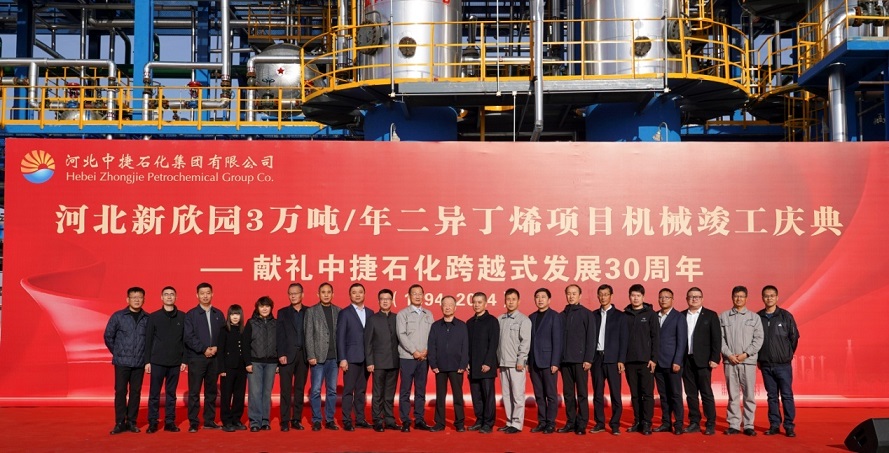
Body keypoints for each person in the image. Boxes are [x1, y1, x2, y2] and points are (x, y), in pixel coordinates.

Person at [720, 285, 764, 436]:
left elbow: (758, 339)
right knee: (733, 394)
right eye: (736, 296)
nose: (738, 299)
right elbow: (720, 339)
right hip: (730, 361)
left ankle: (748, 425)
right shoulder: (724, 317)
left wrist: (746, 354)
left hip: (748, 361)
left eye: (741, 296)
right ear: (732, 297)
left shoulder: (754, 318)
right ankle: (733, 424)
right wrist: (729, 354)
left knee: (749, 394)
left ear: (746, 298)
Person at [104, 286, 149, 435]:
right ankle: (119, 422)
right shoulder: (118, 316)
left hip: (139, 362)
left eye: (139, 297)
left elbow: (150, 340)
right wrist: (118, 352)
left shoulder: (147, 318)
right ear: (127, 299)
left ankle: (131, 422)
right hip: (122, 362)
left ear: (143, 299)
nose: (137, 300)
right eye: (134, 297)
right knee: (120, 392)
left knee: (136, 392)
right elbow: (108, 336)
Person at [757, 285, 800, 438]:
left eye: (772, 295)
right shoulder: (758, 317)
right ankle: (774, 425)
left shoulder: (786, 316)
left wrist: (786, 354)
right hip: (766, 365)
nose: (769, 298)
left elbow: (794, 339)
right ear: (762, 298)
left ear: (777, 297)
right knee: (772, 396)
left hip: (783, 365)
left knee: (787, 395)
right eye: (766, 295)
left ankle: (789, 426)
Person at [183, 282, 226, 432]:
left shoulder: (218, 314)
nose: (205, 296)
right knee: (194, 391)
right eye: (202, 293)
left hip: (214, 358)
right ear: (197, 295)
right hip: (197, 358)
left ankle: (209, 420)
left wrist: (217, 347)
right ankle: (194, 422)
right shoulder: (191, 315)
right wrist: (203, 349)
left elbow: (224, 335)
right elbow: (189, 337)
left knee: (211, 392)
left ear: (212, 294)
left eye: (208, 293)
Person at [144, 286, 186, 433]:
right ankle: (153, 422)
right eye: (166, 294)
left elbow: (185, 340)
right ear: (161, 298)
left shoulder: (183, 317)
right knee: (154, 394)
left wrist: (184, 360)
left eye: (172, 294)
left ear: (176, 297)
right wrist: (147, 361)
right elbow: (148, 340)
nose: (169, 297)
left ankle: (170, 422)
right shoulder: (154, 317)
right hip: (157, 361)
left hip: (175, 362)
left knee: (171, 394)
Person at [681, 287, 721, 436]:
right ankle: (694, 422)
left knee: (706, 393)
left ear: (702, 299)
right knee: (691, 394)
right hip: (686, 360)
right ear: (687, 299)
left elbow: (716, 339)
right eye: (691, 296)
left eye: (697, 296)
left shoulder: (710, 315)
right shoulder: (681, 315)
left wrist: (715, 358)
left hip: (704, 361)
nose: (694, 299)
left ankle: (710, 423)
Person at [427, 295, 469, 433]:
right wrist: (433, 364)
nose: (448, 307)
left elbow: (465, 347)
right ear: (441, 307)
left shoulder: (462, 326)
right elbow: (431, 346)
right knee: (440, 396)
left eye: (450, 304)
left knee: (458, 396)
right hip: (440, 367)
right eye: (445, 304)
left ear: (455, 307)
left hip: (457, 367)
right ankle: (439, 422)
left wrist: (463, 364)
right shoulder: (435, 326)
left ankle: (459, 422)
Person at [396, 284, 435, 432]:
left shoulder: (428, 314)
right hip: (407, 358)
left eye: (420, 294)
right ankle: (405, 420)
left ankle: (419, 419)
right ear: (409, 296)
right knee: (405, 390)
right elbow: (401, 335)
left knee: (420, 390)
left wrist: (427, 351)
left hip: (424, 358)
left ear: (423, 296)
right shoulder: (403, 314)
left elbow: (433, 335)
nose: (417, 296)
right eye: (414, 293)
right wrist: (414, 351)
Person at [590, 284, 627, 436]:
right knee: (597, 393)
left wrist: (621, 360)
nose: (603, 297)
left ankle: (615, 424)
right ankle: (599, 423)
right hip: (597, 359)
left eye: (606, 294)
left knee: (615, 394)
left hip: (613, 360)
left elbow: (624, 340)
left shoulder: (620, 316)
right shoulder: (593, 315)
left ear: (611, 296)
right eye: (601, 294)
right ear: (597, 296)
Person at [558, 284, 595, 435]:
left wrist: (588, 359)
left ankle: (582, 423)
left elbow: (591, 338)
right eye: (569, 293)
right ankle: (570, 422)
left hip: (581, 361)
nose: (571, 296)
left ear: (580, 295)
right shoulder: (561, 315)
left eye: (574, 293)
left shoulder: (587, 314)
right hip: (565, 361)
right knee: (568, 394)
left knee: (582, 394)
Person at [337, 283, 374, 431]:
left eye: (360, 292)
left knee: (361, 391)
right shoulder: (344, 313)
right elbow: (340, 337)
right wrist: (342, 358)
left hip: (366, 359)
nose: (357, 295)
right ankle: (346, 420)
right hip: (350, 358)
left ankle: (360, 419)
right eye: (354, 292)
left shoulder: (370, 313)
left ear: (364, 294)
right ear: (350, 295)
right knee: (348, 391)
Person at [305, 282, 341, 431]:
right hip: (318, 358)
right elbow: (308, 335)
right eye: (323, 292)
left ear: (333, 294)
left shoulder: (338, 311)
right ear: (318, 294)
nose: (326, 295)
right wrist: (311, 355)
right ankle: (316, 420)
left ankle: (330, 420)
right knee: (315, 391)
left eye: (328, 292)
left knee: (332, 391)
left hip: (334, 358)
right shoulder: (312, 311)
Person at [624, 283, 659, 436]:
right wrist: (622, 360)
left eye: (638, 295)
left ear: (643, 297)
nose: (635, 298)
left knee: (647, 394)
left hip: (646, 362)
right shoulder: (625, 315)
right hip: (629, 361)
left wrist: (654, 359)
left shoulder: (651, 315)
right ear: (629, 297)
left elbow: (656, 338)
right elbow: (622, 339)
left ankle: (647, 423)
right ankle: (637, 421)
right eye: (633, 295)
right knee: (635, 394)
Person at [528, 288, 563, 434]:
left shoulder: (555, 316)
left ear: (549, 300)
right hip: (534, 362)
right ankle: (541, 422)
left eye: (543, 297)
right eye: (537, 297)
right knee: (539, 395)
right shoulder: (531, 317)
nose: (540, 299)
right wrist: (528, 362)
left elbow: (558, 341)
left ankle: (551, 423)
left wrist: (555, 362)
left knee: (551, 395)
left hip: (549, 362)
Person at [364, 289, 400, 432]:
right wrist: (370, 362)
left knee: (390, 394)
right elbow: (368, 343)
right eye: (382, 299)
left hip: (394, 362)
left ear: (392, 301)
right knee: (378, 394)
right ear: (379, 301)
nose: (385, 301)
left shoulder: (397, 318)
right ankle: (378, 420)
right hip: (378, 363)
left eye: (388, 299)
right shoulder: (372, 319)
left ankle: (390, 420)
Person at [653, 288, 687, 435]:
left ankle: (678, 423)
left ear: (672, 299)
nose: (663, 300)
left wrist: (677, 361)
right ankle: (666, 422)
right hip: (657, 363)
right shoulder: (654, 316)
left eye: (667, 297)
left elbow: (682, 341)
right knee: (663, 395)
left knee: (675, 395)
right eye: (661, 297)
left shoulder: (679, 317)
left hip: (673, 363)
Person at [497, 288, 531, 434]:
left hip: (516, 364)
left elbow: (525, 342)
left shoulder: (524, 320)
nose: (510, 302)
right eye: (508, 299)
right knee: (506, 395)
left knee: (517, 395)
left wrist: (521, 360)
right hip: (503, 363)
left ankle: (517, 424)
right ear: (505, 301)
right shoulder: (500, 319)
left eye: (513, 299)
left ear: (519, 301)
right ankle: (509, 421)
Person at [277, 283, 309, 431]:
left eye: (296, 293)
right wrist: (281, 354)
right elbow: (280, 335)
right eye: (290, 293)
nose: (293, 296)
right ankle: (284, 420)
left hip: (304, 355)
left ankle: (296, 419)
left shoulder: (309, 312)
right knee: (285, 390)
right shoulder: (282, 312)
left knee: (299, 389)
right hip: (287, 355)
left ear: (302, 294)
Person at [466, 292, 500, 434]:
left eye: (479, 302)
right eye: (474, 302)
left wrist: (488, 363)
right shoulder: (469, 322)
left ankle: (488, 423)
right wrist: (467, 362)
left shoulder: (492, 321)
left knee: (488, 396)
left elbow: (493, 344)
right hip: (473, 366)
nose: (476, 305)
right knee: (476, 396)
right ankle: (479, 420)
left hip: (487, 366)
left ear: (485, 304)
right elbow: (466, 345)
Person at [244, 296, 278, 432]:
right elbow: (245, 344)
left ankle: (265, 421)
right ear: (257, 308)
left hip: (271, 363)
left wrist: (278, 364)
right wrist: (247, 362)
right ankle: (255, 422)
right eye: (262, 306)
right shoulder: (251, 323)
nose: (264, 308)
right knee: (255, 392)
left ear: (271, 308)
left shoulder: (276, 323)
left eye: (267, 306)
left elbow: (280, 343)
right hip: (255, 362)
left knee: (266, 393)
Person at [217, 304, 249, 432]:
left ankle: (236, 419)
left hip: (241, 368)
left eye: (237, 314)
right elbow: (220, 350)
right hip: (228, 368)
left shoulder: (243, 330)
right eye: (232, 314)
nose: (235, 317)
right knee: (226, 395)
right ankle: (226, 421)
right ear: (229, 316)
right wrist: (222, 369)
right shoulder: (224, 330)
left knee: (239, 395)